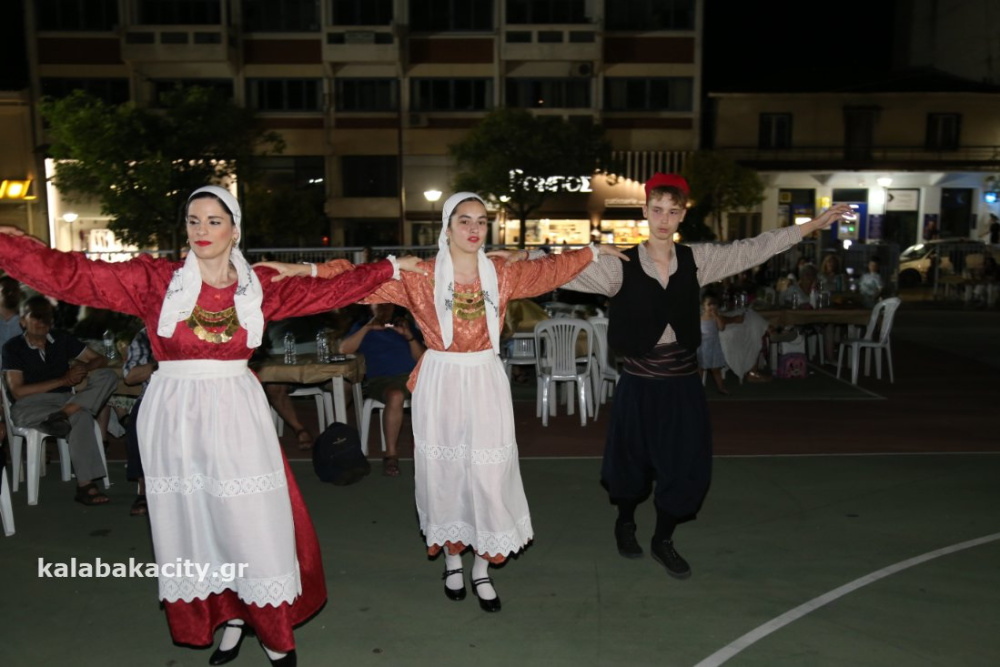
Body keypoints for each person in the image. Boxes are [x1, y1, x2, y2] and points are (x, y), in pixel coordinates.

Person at [0, 185, 426, 666]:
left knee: (250, 521)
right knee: (197, 523)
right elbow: (74, 275)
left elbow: (330, 290)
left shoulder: (257, 286)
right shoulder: (154, 280)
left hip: (236, 412)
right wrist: (9, 246)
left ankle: (269, 627)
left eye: (214, 221)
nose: (202, 230)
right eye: (194, 220)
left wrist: (391, 268)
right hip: (174, 416)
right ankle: (229, 616)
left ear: (234, 230)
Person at [259, 192, 626, 613]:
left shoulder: (503, 272)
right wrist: (301, 269)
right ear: (447, 228)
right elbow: (354, 279)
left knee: (489, 473)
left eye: (481, 221)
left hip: (485, 379)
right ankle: (453, 558)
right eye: (464, 220)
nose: (474, 228)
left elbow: (553, 268)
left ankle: (482, 568)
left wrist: (593, 250)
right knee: (446, 472)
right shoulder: (421, 275)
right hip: (441, 380)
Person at [553, 173, 853, 579]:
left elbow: (755, 248)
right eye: (657, 210)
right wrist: (504, 259)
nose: (663, 219)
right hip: (638, 384)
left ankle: (663, 539)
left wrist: (812, 225)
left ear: (682, 215)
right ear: (644, 212)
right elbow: (552, 272)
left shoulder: (699, 260)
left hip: (682, 385)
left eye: (672, 211)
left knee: (684, 464)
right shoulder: (616, 264)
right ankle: (625, 521)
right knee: (629, 465)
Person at [2, 295, 117, 505]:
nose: (42, 322)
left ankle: (64, 415)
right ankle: (86, 484)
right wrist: (63, 379)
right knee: (81, 415)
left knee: (107, 377)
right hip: (29, 406)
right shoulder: (13, 347)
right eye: (36, 317)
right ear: (23, 321)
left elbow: (100, 359)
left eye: (46, 318)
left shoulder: (61, 339)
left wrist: (83, 368)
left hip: (63, 401)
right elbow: (18, 391)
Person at [338, 303, 424, 476]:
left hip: (413, 377)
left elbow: (422, 358)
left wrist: (409, 337)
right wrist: (368, 327)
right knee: (395, 395)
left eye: (386, 303)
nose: (383, 307)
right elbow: (343, 349)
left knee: (441, 392)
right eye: (377, 303)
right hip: (383, 380)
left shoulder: (402, 325)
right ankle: (391, 455)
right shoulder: (362, 327)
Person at [121, 327, 155, 516]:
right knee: (137, 422)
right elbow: (130, 376)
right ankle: (144, 488)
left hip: (196, 394)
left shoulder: (202, 327)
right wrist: (162, 362)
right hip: (154, 395)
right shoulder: (146, 334)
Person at [697, 293, 740, 395]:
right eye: (709, 305)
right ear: (703, 306)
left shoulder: (716, 318)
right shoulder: (699, 318)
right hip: (702, 347)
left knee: (715, 369)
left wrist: (717, 317)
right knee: (700, 368)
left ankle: (721, 387)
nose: (712, 307)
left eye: (714, 305)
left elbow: (721, 328)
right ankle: (697, 389)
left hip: (714, 346)